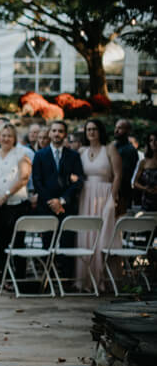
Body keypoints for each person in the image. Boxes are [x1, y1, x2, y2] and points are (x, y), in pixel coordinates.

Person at [32, 119, 85, 281]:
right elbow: (37, 181)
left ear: (65, 134)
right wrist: (51, 202)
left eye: (60, 131)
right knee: (47, 243)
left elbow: (79, 181)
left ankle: (66, 279)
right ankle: (47, 278)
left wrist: (61, 201)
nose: (57, 134)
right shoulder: (40, 155)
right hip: (46, 206)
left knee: (67, 243)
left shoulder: (74, 156)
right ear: (50, 133)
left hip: (66, 207)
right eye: (54, 131)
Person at [76, 118, 122, 290]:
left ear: (100, 131)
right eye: (88, 129)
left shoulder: (109, 149)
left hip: (104, 193)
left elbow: (117, 175)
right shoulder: (81, 151)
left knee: (103, 235)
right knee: (86, 233)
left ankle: (104, 279)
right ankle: (86, 280)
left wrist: (113, 197)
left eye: (94, 129)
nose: (91, 132)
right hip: (86, 195)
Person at [0, 123, 31, 282]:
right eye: (3, 135)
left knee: (17, 242)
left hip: (16, 205)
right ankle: (4, 277)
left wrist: (6, 195)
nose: (6, 138)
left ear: (14, 138)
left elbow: (23, 178)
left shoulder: (21, 153)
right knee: (0, 243)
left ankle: (19, 278)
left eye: (9, 135)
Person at [114, 119, 139, 214]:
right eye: (116, 127)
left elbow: (124, 174)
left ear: (128, 131)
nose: (116, 130)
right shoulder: (114, 146)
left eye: (120, 128)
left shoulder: (130, 150)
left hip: (122, 194)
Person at [133, 130, 157, 212]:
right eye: (151, 140)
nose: (153, 143)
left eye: (156, 140)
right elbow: (135, 183)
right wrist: (145, 188)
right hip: (147, 200)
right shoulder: (144, 162)